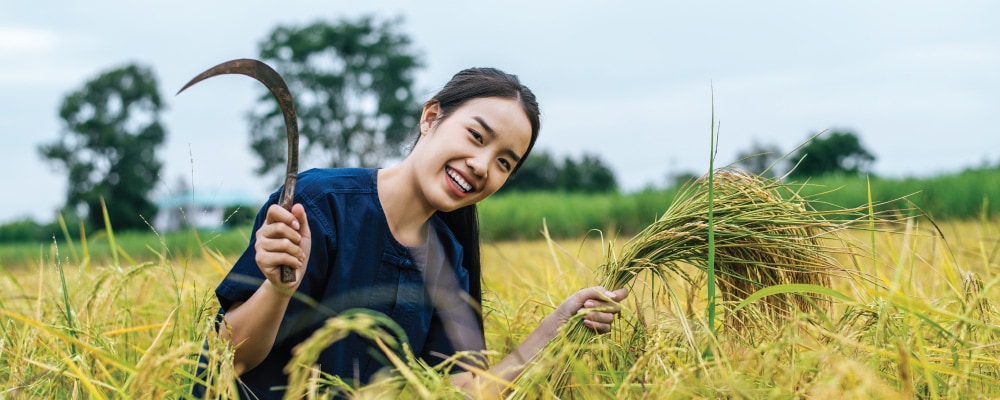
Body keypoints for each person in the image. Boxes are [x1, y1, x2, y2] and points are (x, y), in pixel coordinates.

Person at [209, 67, 629, 398]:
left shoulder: (446, 259)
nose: (482, 165)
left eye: (505, 162)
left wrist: (555, 327)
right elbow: (225, 358)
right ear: (431, 117)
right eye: (476, 135)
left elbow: (461, 392)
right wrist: (279, 290)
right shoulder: (319, 205)